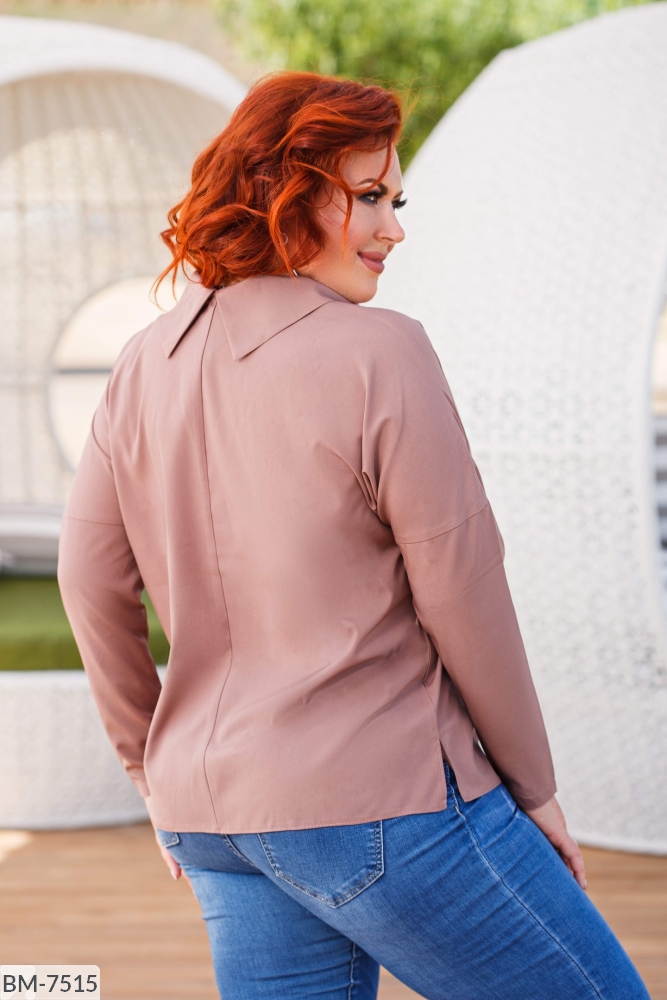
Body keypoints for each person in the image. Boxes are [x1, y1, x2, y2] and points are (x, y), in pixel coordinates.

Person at [58, 72, 650, 1000]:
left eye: (394, 200)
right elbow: (462, 590)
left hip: (216, 824)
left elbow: (87, 579)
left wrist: (147, 768)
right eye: (369, 196)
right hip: (387, 804)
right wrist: (532, 789)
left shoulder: (143, 363)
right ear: (280, 192)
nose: (392, 229)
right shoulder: (382, 350)